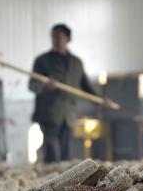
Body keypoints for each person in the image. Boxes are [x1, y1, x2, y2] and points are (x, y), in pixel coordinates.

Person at [29, 23, 98, 163]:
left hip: (68, 115)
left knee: (66, 154)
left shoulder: (76, 63)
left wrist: (100, 100)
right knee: (51, 152)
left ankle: (65, 183)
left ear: (68, 38)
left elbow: (86, 87)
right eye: (53, 37)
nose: (55, 40)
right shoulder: (42, 61)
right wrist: (45, 85)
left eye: (59, 37)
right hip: (49, 115)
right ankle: (48, 182)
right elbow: (32, 85)